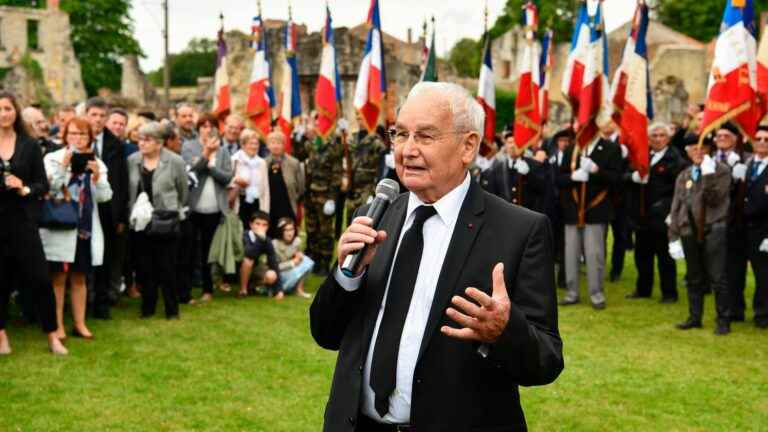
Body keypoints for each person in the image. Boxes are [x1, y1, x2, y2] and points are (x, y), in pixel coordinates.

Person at [310, 82, 563, 431]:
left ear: (468, 146)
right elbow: (326, 334)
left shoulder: (519, 230)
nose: (407, 150)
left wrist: (503, 332)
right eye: (400, 134)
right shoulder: (373, 215)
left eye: (425, 137)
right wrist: (347, 275)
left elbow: (546, 361)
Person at [0, 91, 68, 356]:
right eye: (0, 108)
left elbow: (42, 185)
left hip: (22, 223)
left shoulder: (28, 145)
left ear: (15, 112)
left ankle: (52, 335)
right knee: (0, 281)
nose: (4, 113)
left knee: (40, 279)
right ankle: (2, 336)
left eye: (8, 108)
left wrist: (23, 188)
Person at [41, 116, 113, 340]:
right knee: (59, 278)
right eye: (73, 133)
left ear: (90, 137)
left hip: (85, 227)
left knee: (80, 278)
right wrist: (64, 166)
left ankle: (80, 323)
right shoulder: (52, 158)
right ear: (65, 136)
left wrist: (97, 178)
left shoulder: (97, 162)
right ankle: (58, 324)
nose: (78, 138)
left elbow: (105, 197)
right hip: (60, 225)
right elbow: (50, 189)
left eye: (83, 134)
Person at [668, 139, 732, 335]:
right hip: (689, 229)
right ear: (687, 152)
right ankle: (694, 317)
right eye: (693, 148)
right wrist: (673, 235)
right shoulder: (684, 175)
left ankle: (723, 320)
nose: (698, 152)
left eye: (702, 148)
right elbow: (676, 206)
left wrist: (708, 175)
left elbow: (713, 199)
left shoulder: (721, 170)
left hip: (713, 227)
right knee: (694, 277)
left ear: (709, 149)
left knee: (717, 277)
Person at [557, 126, 623, 309]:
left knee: (594, 256)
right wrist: (572, 176)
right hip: (572, 210)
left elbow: (616, 179)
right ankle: (572, 293)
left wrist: (596, 170)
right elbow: (559, 179)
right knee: (571, 254)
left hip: (596, 210)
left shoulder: (611, 148)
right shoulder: (572, 149)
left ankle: (597, 294)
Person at [128, 122, 188, 319]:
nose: (142, 143)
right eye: (140, 139)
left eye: (147, 140)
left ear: (160, 143)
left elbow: (183, 191)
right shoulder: (132, 161)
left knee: (167, 266)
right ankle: (147, 308)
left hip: (166, 220)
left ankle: (172, 310)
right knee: (145, 267)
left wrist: (174, 210)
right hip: (140, 221)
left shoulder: (175, 161)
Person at [625, 123, 687, 302]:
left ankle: (669, 293)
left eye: (662, 135)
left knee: (664, 257)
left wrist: (664, 207)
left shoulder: (676, 160)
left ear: (668, 139)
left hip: (662, 217)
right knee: (642, 256)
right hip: (641, 217)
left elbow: (679, 191)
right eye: (654, 136)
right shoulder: (640, 157)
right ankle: (643, 289)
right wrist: (633, 177)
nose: (658, 139)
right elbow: (624, 177)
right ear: (648, 139)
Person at [182, 113, 234, 303]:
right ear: (198, 129)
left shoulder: (223, 150)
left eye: (210, 126)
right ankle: (185, 291)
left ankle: (207, 289)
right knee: (188, 250)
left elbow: (228, 177)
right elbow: (190, 170)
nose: (206, 129)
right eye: (203, 126)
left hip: (214, 208)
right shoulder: (189, 146)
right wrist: (205, 155)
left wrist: (211, 167)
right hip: (193, 207)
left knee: (207, 251)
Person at [85, 97, 129, 320]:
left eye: (102, 116)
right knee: (82, 257)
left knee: (105, 256)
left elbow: (121, 182)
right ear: (86, 115)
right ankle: (83, 302)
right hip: (82, 206)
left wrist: (121, 215)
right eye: (94, 115)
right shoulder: (77, 139)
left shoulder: (116, 145)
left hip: (107, 207)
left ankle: (101, 304)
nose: (98, 120)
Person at [733, 126, 768, 328]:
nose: (762, 142)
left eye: (766, 139)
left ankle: (762, 314)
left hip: (762, 230)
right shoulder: (745, 163)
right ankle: (736, 311)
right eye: (758, 138)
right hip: (740, 228)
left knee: (763, 276)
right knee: (735, 272)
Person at [303, 123, 343, 276]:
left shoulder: (333, 148)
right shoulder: (313, 145)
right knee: (311, 229)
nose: (316, 128)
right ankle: (313, 259)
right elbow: (300, 152)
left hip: (325, 196)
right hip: (310, 195)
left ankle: (325, 263)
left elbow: (336, 174)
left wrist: (332, 198)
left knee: (325, 231)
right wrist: (298, 136)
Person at [481, 131, 548, 212]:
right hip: (505, 215)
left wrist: (529, 174)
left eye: (515, 142)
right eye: (509, 142)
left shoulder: (534, 165)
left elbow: (543, 189)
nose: (512, 146)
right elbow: (492, 196)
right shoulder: (497, 169)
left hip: (528, 216)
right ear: (505, 145)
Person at [264, 130, 304, 238]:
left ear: (284, 145)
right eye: (272, 143)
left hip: (287, 204)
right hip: (270, 205)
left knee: (286, 232)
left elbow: (300, 187)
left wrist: (296, 197)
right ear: (268, 145)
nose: (276, 146)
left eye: (279, 143)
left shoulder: (294, 163)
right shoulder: (263, 163)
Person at [346, 124, 386, 224]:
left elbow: (381, 170)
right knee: (350, 222)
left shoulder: (376, 143)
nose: (359, 116)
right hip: (353, 189)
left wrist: (374, 192)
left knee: (364, 223)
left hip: (367, 189)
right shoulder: (352, 140)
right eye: (357, 114)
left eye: (362, 113)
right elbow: (347, 163)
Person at [239, 211, 283, 300]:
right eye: (257, 224)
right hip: (239, 268)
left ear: (268, 227)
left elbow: (273, 262)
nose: (260, 227)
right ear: (251, 224)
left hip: (256, 269)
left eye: (264, 225)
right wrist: (260, 238)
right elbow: (249, 253)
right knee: (248, 261)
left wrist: (280, 290)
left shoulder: (267, 240)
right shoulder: (245, 235)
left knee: (272, 274)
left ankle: (255, 287)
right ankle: (243, 290)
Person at [231, 128, 269, 228]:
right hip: (240, 203)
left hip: (257, 204)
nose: (254, 146)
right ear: (243, 145)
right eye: (250, 143)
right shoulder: (235, 160)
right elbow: (227, 181)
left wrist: (265, 212)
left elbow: (265, 189)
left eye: (256, 144)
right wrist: (236, 181)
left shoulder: (262, 163)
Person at [272, 217, 313, 298]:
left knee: (307, 261)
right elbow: (274, 267)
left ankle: (299, 290)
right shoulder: (274, 244)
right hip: (278, 275)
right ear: (280, 231)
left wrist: (299, 256)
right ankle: (280, 289)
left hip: (289, 270)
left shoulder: (297, 241)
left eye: (291, 230)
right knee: (300, 266)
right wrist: (292, 262)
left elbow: (297, 257)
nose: (290, 233)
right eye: (286, 230)